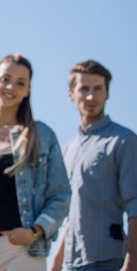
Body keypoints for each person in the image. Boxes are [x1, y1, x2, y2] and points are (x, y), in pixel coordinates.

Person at [0, 54, 71, 271]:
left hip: (21, 253)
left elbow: (61, 196)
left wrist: (35, 231)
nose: (11, 86)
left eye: (21, 83)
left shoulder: (42, 136)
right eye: (5, 78)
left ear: (28, 90)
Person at [51, 60, 137, 271]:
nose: (91, 96)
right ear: (71, 94)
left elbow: (135, 206)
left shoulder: (124, 140)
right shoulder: (69, 148)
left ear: (107, 93)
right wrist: (55, 265)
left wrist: (132, 263)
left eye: (98, 89)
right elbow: (71, 216)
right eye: (84, 89)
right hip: (71, 263)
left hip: (109, 262)